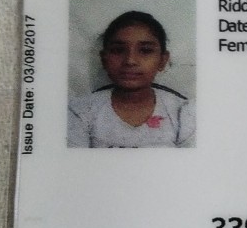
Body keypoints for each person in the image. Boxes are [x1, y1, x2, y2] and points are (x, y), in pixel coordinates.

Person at [68, 10, 196, 148]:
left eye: (145, 50)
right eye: (118, 50)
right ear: (104, 59)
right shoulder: (79, 112)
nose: (130, 61)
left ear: (162, 60)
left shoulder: (183, 113)